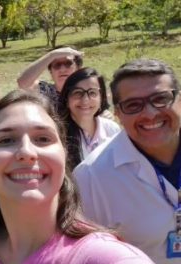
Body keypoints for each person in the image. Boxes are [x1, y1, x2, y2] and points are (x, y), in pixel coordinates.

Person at [0, 90, 154, 264]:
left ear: (64, 154)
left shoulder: (108, 257)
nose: (26, 151)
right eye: (6, 140)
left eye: (43, 139)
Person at [74, 59, 181, 264]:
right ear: (117, 114)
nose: (150, 114)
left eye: (161, 99)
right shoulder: (91, 176)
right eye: (133, 105)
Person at [58, 67, 120, 170]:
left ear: (102, 97)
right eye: (77, 92)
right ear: (66, 99)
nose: (85, 99)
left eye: (92, 93)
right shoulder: (58, 134)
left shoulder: (112, 130)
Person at [17, 46, 83, 106]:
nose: (62, 69)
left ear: (78, 68)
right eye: (57, 65)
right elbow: (23, 83)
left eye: (68, 64)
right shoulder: (45, 91)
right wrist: (51, 55)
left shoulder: (87, 92)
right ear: (51, 71)